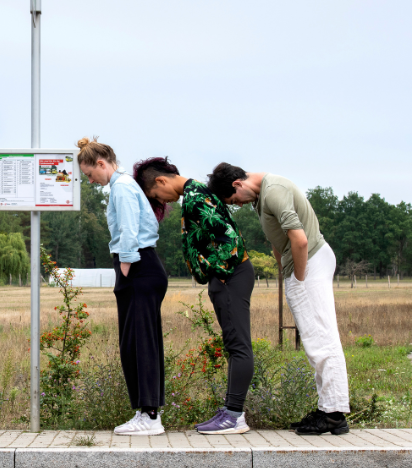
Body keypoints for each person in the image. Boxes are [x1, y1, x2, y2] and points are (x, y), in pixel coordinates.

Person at [208, 163, 350, 436]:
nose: (237, 204)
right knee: (314, 340)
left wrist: (297, 278)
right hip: (302, 266)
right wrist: (286, 272)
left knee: (322, 339)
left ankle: (333, 414)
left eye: (234, 200)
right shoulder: (262, 198)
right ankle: (328, 409)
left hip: (309, 264)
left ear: (238, 184)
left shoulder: (274, 192)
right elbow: (279, 240)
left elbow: (300, 240)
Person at [133, 157, 254, 435]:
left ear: (161, 181)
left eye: (155, 194)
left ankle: (235, 415)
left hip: (230, 276)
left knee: (238, 343)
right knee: (234, 341)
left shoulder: (194, 198)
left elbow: (228, 241)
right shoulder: (196, 192)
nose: (161, 201)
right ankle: (232, 411)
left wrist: (217, 274)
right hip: (229, 276)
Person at [76, 137, 166, 436]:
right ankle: (145, 412)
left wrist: (125, 263)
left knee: (140, 343)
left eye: (90, 174)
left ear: (101, 164)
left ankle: (150, 415)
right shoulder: (122, 186)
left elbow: (129, 228)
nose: (90, 181)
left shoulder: (122, 187)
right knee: (135, 342)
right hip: (140, 266)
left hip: (138, 266)